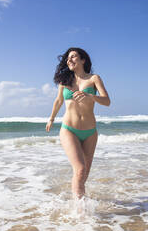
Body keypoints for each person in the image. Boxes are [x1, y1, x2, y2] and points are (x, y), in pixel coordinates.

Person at [46, 47, 110, 199]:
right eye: (68, 58)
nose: (70, 60)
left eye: (74, 56)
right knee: (80, 169)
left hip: (90, 132)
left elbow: (107, 101)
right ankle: (79, 212)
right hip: (69, 129)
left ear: (83, 60)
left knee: (83, 174)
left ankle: (80, 203)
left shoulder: (94, 78)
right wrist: (51, 118)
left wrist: (91, 97)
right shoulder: (65, 81)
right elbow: (58, 101)